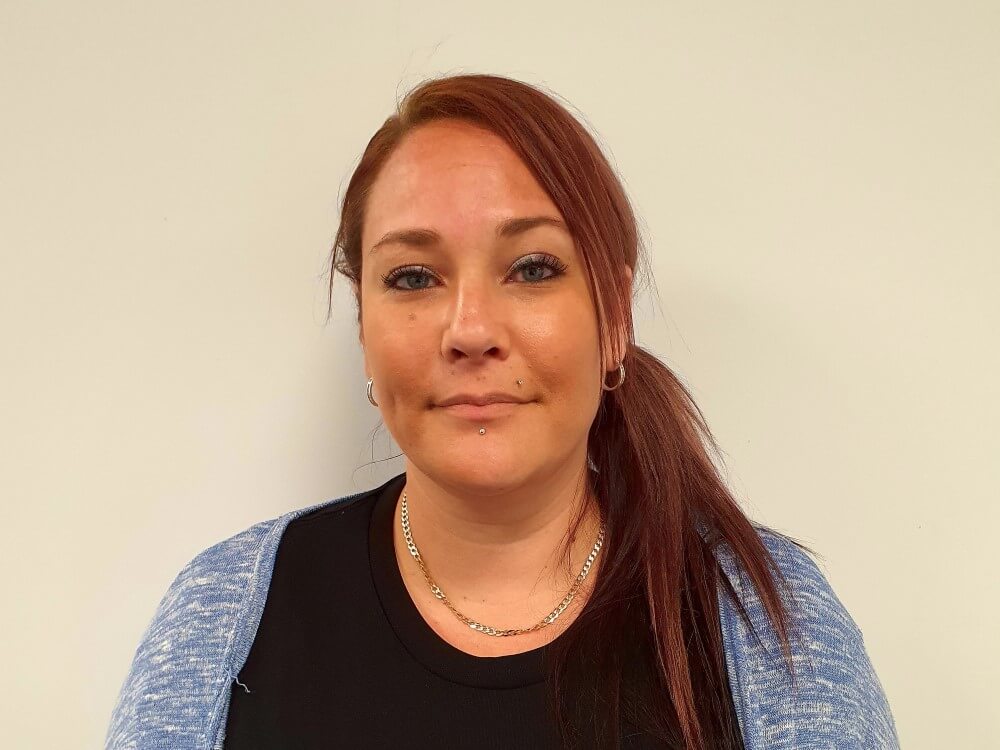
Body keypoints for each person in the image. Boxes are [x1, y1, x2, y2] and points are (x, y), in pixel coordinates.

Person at [105, 73, 899, 750]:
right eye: (413, 277)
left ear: (614, 316)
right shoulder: (223, 616)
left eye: (532, 267)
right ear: (364, 328)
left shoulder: (765, 618)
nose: (471, 330)